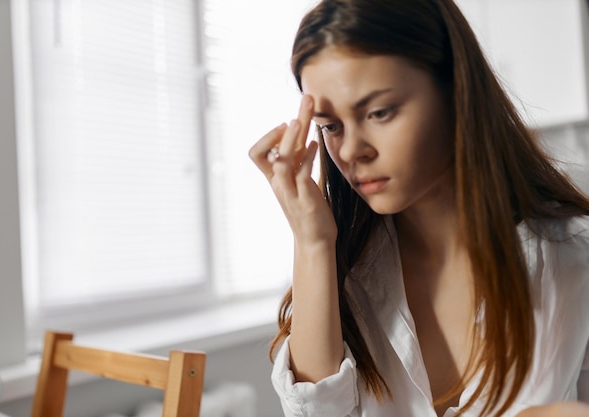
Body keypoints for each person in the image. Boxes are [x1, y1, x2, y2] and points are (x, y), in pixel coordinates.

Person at [248, 0, 589, 416]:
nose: (352, 150)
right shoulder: (348, 272)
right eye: (329, 126)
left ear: (455, 91)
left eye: (379, 112)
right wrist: (312, 242)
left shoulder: (573, 256)